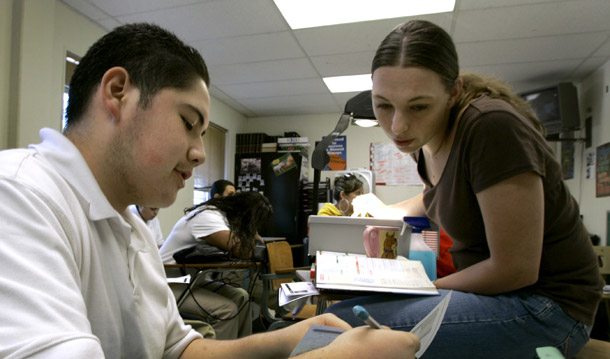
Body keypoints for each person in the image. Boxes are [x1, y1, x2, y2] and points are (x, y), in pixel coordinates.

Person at [0, 22, 419, 358]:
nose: (200, 153)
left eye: (204, 133)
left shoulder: (130, 227)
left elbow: (181, 349)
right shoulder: (19, 195)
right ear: (117, 93)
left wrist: (293, 338)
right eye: (187, 122)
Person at [326, 20, 603, 359]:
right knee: (336, 315)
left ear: (453, 92)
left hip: (548, 307)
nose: (397, 126)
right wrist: (384, 210)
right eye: (384, 105)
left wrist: (417, 287)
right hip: (500, 297)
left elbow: (515, 268)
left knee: (336, 332)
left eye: (418, 106)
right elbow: (438, 199)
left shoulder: (490, 126)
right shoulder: (424, 137)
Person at [159, 191, 271, 340]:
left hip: (189, 281)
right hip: (165, 285)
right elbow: (243, 250)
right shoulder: (208, 216)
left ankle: (241, 351)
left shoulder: (221, 218)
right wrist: (251, 232)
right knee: (225, 310)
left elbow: (254, 246)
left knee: (242, 297)